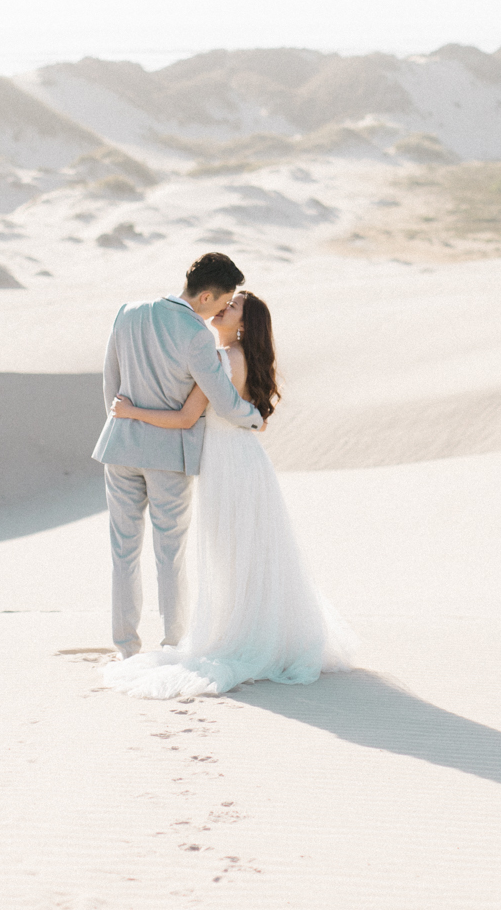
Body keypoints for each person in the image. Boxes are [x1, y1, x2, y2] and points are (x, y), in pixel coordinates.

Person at [96, 289, 356, 698]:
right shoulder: (246, 359)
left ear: (244, 324)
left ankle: (239, 637)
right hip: (245, 462)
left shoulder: (219, 360)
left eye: (230, 307)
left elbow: (184, 417)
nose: (221, 309)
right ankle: (259, 631)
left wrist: (130, 411)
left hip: (227, 468)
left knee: (231, 552)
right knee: (250, 553)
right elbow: (256, 419)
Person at [94, 252, 265, 660]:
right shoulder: (196, 335)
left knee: (123, 550)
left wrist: (124, 426)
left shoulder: (128, 311)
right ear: (206, 296)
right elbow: (223, 401)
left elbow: (110, 381)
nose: (225, 308)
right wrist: (253, 417)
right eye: (224, 301)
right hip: (169, 455)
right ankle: (172, 644)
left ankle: (126, 648)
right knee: (168, 553)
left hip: (119, 446)